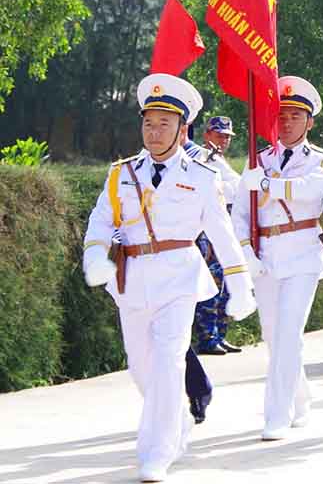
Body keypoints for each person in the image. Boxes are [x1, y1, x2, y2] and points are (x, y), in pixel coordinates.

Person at [82, 73, 255, 482]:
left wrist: (239, 283)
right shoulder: (120, 173)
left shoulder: (201, 175)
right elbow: (100, 221)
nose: (154, 131)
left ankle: (156, 452)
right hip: (131, 279)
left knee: (168, 361)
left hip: (178, 277)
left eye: (163, 124)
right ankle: (175, 415)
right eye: (148, 123)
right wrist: (94, 257)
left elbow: (221, 233)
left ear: (182, 128)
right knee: (140, 366)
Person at [236, 76, 323, 441]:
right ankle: (301, 396)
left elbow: (310, 190)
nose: (287, 122)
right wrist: (246, 251)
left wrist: (266, 185)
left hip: (303, 253)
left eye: (296, 115)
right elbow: (239, 213)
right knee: (273, 336)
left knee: (287, 334)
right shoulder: (258, 158)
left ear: (310, 121)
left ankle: (275, 415)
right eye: (281, 114)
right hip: (266, 254)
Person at [192, 116, 241, 357]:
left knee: (226, 284)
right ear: (207, 135)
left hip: (225, 225)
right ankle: (207, 338)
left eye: (226, 137)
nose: (223, 140)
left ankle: (220, 334)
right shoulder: (201, 158)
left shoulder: (219, 160)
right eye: (218, 135)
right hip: (208, 231)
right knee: (213, 282)